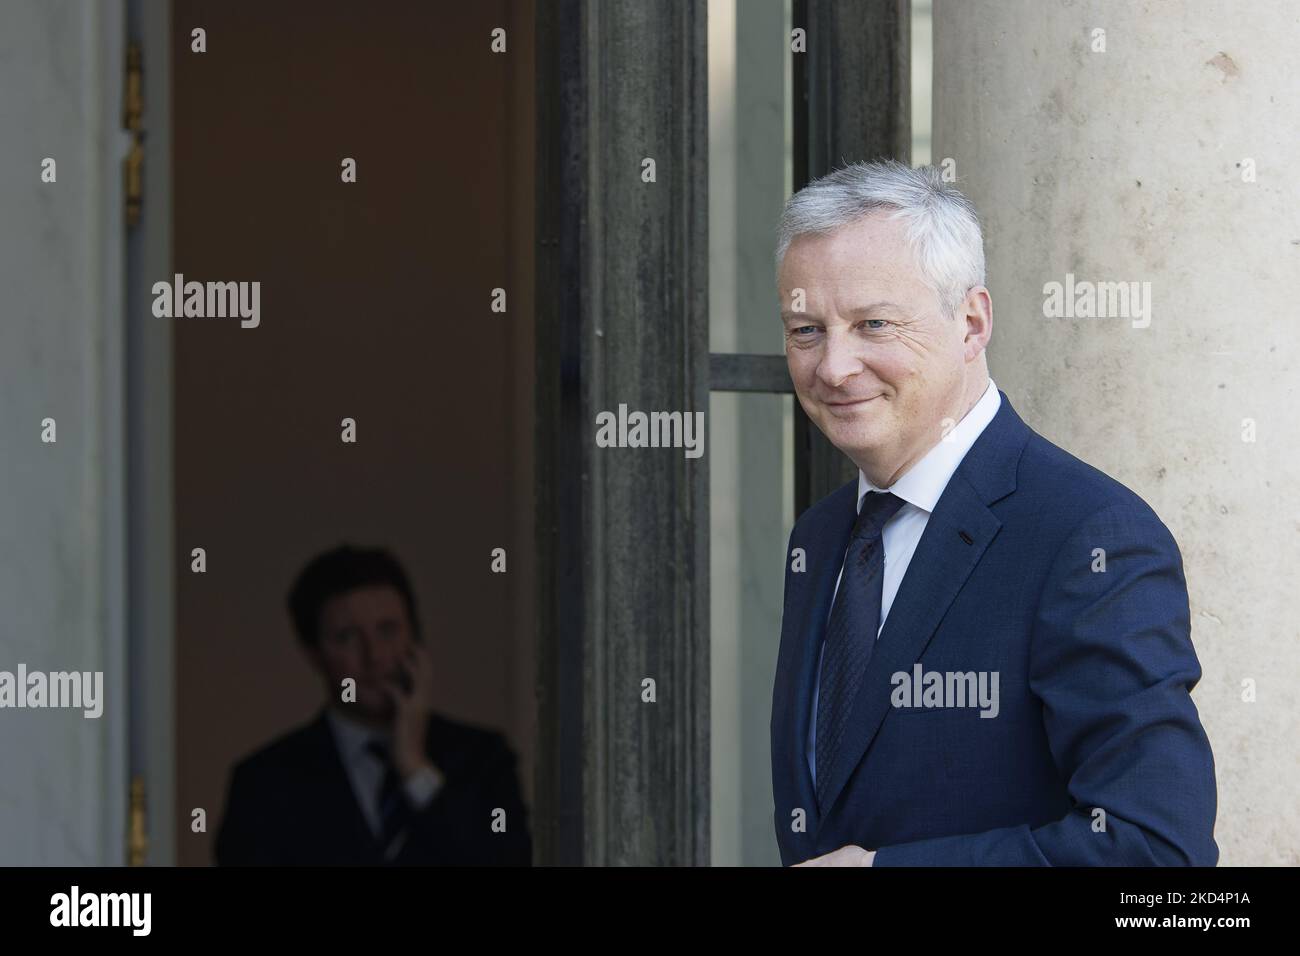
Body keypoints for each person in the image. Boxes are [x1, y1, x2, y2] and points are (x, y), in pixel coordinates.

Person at [770, 160, 1218, 866]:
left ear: (972, 322)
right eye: (806, 330)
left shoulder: (1089, 537)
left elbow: (1155, 850)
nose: (834, 366)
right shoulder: (821, 537)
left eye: (874, 323)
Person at [215, 544, 531, 865]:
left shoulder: (482, 760)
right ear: (313, 653)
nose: (375, 656)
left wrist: (416, 770)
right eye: (347, 637)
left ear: (415, 638)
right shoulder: (263, 783)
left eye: (388, 630)